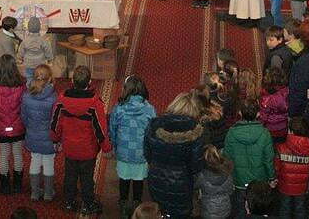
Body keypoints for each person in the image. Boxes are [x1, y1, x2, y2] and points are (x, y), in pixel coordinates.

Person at [51, 65, 110, 215]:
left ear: (72, 81)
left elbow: (55, 122)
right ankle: (88, 203)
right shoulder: (95, 103)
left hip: (69, 148)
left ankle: (69, 201)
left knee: (70, 175)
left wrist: (55, 139)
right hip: (88, 150)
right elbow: (100, 129)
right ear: (89, 82)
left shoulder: (62, 100)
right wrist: (106, 147)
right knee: (87, 178)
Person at [144, 90, 207, 218]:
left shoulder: (154, 125)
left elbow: (147, 154)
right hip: (182, 184)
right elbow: (197, 166)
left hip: (156, 178)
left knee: (159, 212)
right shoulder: (197, 133)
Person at [108, 75, 157, 218]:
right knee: (138, 180)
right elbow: (153, 132)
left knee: (124, 180)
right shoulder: (149, 109)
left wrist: (115, 145)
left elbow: (112, 129)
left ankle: (123, 204)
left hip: (124, 152)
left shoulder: (118, 109)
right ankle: (137, 204)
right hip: (141, 153)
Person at [225, 100, 275, 216]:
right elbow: (268, 159)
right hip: (259, 180)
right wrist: (271, 177)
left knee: (240, 209)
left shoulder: (231, 133)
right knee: (259, 209)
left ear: (240, 113)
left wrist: (230, 177)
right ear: (258, 114)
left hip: (239, 179)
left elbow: (227, 158)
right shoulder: (265, 133)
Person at [0, 54, 27, 194]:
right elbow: (24, 107)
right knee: (18, 154)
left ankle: (4, 186)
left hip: (1, 127)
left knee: (3, 155)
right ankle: (17, 185)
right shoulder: (21, 86)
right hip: (18, 126)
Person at [21, 64, 58, 201]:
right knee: (48, 163)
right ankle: (48, 193)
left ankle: (35, 192)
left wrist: (30, 128)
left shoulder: (26, 96)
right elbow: (56, 120)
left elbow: (23, 117)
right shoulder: (54, 98)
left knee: (35, 161)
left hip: (32, 134)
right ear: (49, 79)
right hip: (48, 137)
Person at [276, 117, 309, 219]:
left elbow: (276, 167)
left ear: (290, 131)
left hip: (285, 186)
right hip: (302, 187)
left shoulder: (281, 148)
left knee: (284, 209)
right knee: (300, 210)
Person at [196, 144, 234, 219]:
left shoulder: (202, 175)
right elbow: (230, 191)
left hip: (208, 210)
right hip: (225, 209)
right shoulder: (227, 172)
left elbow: (195, 185)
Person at [17, 17, 53, 85]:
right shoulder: (44, 41)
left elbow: (20, 53)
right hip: (40, 65)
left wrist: (20, 59)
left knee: (29, 79)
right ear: (40, 27)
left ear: (28, 27)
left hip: (28, 65)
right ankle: (40, 89)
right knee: (41, 80)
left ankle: (30, 90)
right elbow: (49, 53)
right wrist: (49, 60)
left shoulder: (25, 41)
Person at [260, 66, 290, 143]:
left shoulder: (267, 99)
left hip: (271, 129)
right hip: (284, 127)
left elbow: (263, 116)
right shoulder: (287, 92)